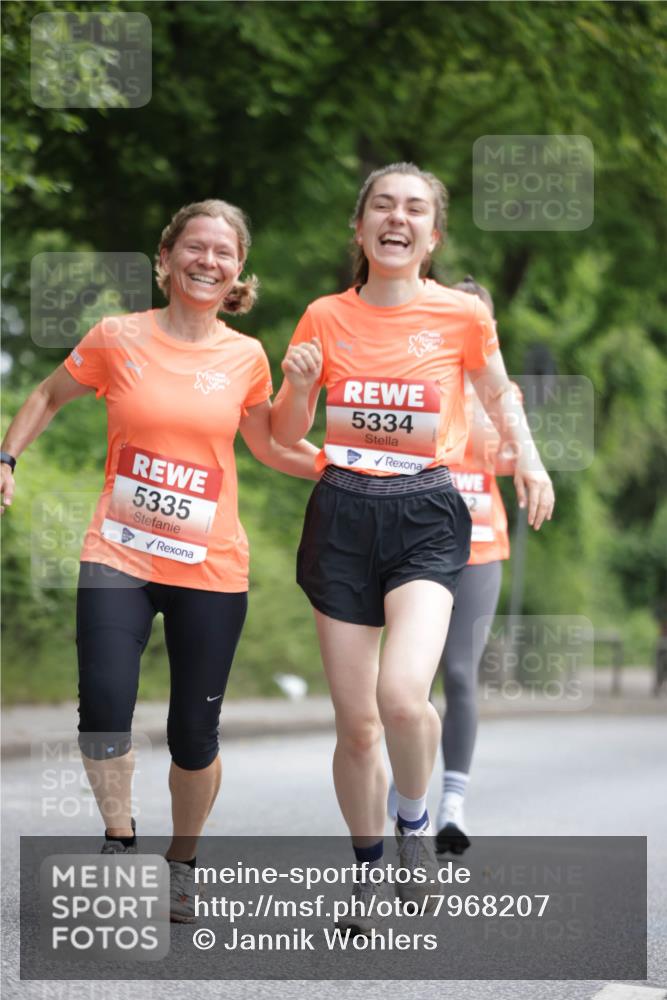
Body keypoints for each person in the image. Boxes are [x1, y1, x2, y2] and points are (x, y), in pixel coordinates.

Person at [0, 199, 318, 922]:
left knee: (192, 735)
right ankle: (120, 840)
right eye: (195, 248)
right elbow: (50, 394)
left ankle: (183, 861)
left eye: (224, 253)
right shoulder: (118, 337)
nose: (208, 262)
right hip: (119, 552)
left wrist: (343, 467)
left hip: (210, 566)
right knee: (105, 707)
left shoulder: (245, 356)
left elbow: (268, 445)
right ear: (167, 257)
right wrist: (6, 455)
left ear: (238, 271)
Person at [270, 163, 554, 935]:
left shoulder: (460, 315)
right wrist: (298, 385)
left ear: (433, 234)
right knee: (357, 723)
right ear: (359, 228)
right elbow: (288, 431)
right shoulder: (323, 315)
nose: (397, 218)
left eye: (415, 209)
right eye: (383, 206)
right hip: (341, 514)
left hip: (427, 513)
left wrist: (526, 457)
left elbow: (498, 393)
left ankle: (414, 819)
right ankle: (365, 870)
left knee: (403, 696)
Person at [387, 276, 520, 856]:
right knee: (408, 681)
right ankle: (404, 790)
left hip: (479, 548)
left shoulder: (498, 392)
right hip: (416, 546)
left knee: (460, 675)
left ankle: (453, 805)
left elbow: (516, 458)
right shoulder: (417, 381)